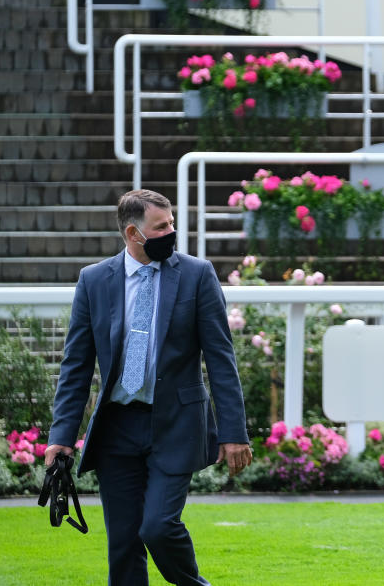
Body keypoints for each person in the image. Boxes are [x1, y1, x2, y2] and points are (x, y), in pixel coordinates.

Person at [45, 189, 252, 586]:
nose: (171, 232)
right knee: (123, 544)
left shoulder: (197, 274)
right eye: (161, 227)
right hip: (117, 430)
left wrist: (233, 432)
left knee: (157, 527)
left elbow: (221, 359)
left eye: (172, 223)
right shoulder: (93, 281)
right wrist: (62, 435)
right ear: (132, 233)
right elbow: (76, 366)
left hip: (175, 425)